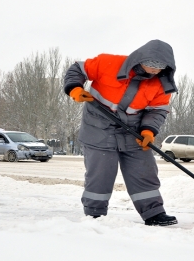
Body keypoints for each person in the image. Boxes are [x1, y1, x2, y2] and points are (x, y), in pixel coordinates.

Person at [63, 39, 178, 226]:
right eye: (150, 64)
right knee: (101, 172)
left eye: (159, 67)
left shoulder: (162, 84)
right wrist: (74, 88)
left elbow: (157, 110)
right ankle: (95, 214)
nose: (154, 70)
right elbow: (77, 69)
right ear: (140, 58)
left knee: (144, 170)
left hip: (133, 131)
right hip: (98, 126)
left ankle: (153, 213)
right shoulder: (107, 63)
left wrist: (148, 131)